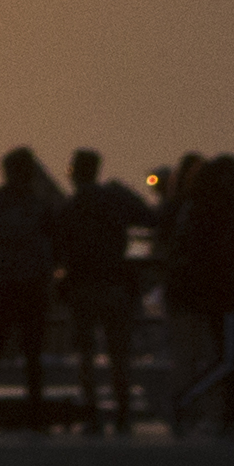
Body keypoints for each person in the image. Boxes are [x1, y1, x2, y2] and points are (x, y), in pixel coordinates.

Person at [0, 150, 60, 431]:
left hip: (0, 287)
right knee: (33, 356)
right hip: (32, 289)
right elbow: (58, 246)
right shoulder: (41, 208)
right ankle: (36, 416)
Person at [55, 147, 147, 434]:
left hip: (82, 286)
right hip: (116, 284)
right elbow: (149, 217)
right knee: (120, 354)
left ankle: (92, 414)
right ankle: (123, 413)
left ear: (74, 173)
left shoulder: (69, 206)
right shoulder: (116, 199)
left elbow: (57, 245)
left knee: (85, 355)